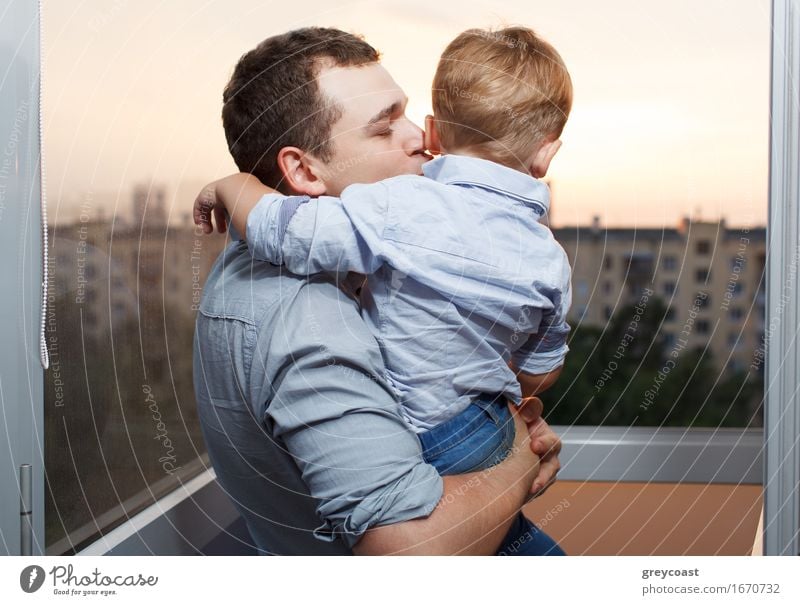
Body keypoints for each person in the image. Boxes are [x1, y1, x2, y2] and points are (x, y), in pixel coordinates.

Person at [193, 26, 564, 555]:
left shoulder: (335, 266)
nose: (419, 137)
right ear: (304, 170)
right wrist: (521, 458)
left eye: (407, 114)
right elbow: (405, 557)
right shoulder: (309, 323)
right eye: (384, 127)